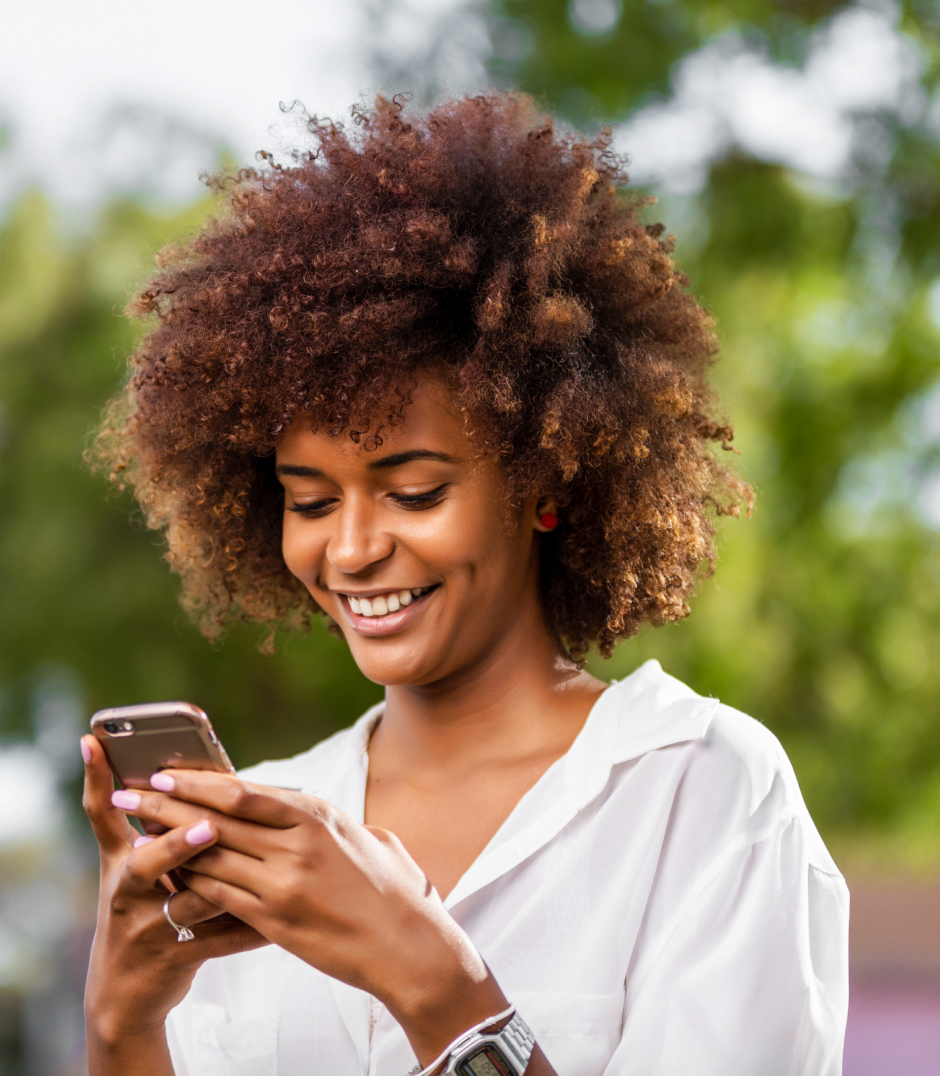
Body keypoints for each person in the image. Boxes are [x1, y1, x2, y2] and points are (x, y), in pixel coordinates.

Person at [81, 92, 849, 1076]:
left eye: (412, 489)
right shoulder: (261, 826)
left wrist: (441, 989)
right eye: (310, 502)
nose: (351, 549)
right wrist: (121, 1023)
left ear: (544, 481)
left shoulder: (700, 791)